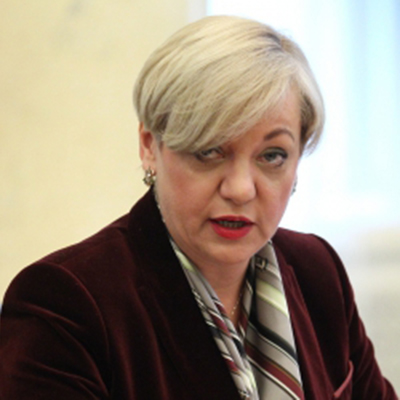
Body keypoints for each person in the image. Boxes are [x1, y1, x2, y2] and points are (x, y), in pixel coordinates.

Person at [0, 15, 397, 400]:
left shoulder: (317, 272)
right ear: (150, 146)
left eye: (272, 155)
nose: (240, 189)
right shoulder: (65, 304)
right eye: (209, 151)